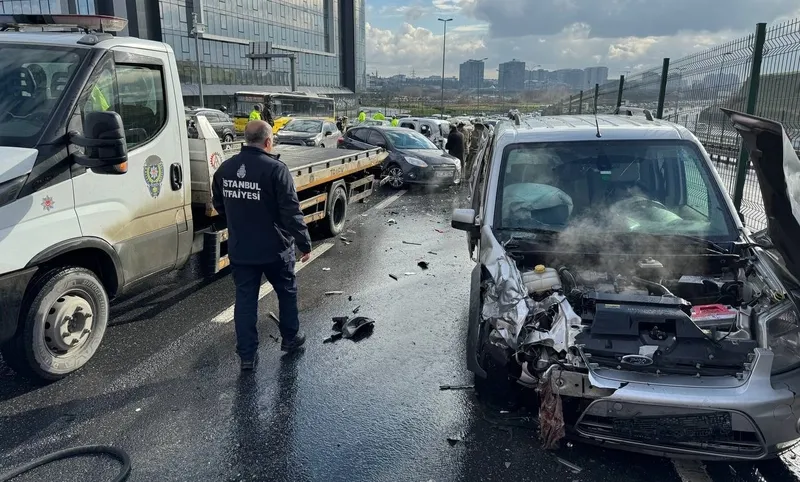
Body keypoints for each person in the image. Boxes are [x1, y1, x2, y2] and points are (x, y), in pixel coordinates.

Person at [212, 120, 311, 371]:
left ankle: (247, 356)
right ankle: (290, 339)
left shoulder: (225, 169)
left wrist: (238, 225)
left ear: (246, 139)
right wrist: (304, 243)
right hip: (274, 249)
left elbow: (219, 205)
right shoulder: (276, 169)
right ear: (268, 142)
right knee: (286, 292)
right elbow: (291, 212)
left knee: (245, 301)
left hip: (242, 248)